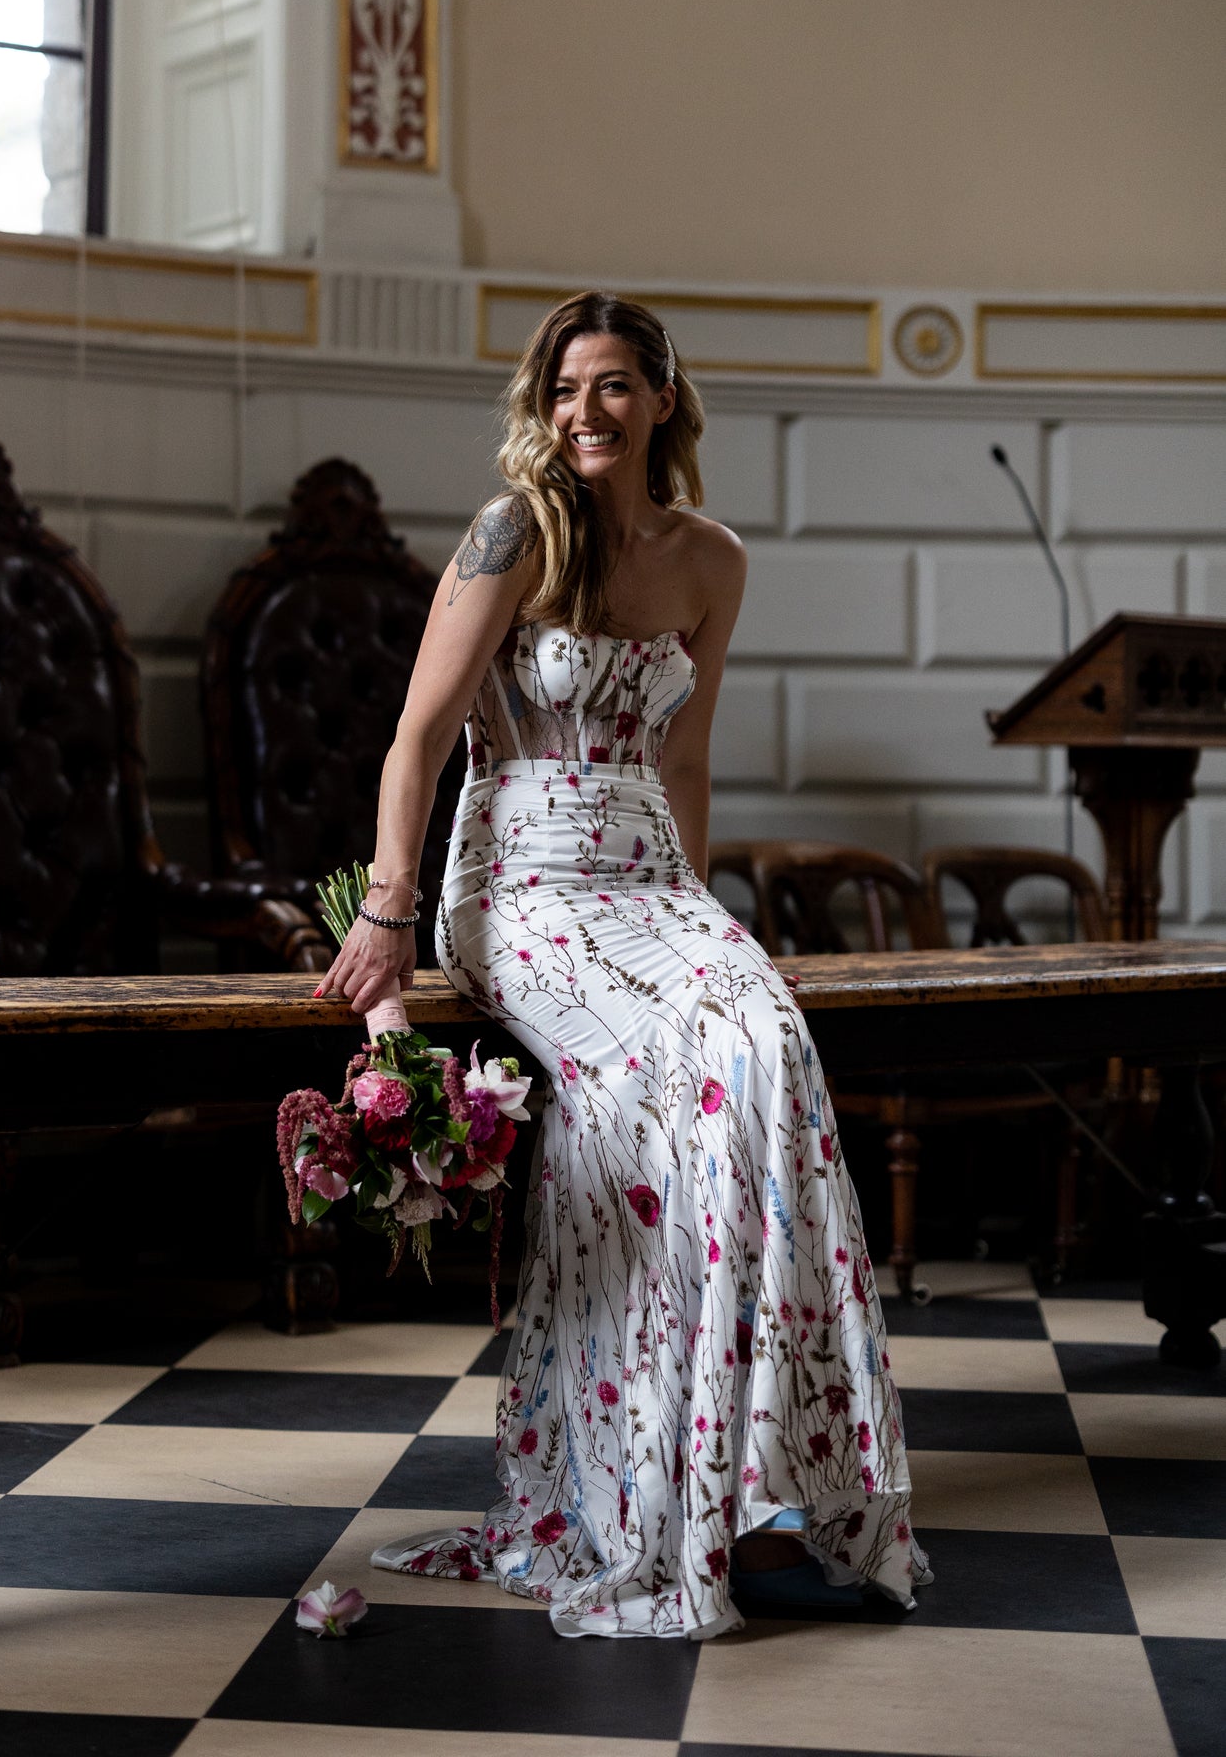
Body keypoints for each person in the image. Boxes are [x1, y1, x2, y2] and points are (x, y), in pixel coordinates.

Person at [315, 290, 929, 1639]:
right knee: (672, 1089)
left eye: (610, 387)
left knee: (763, 1048)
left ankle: (739, 1485)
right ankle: (623, 1482)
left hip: (648, 884)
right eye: (562, 390)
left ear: (661, 399)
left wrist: (700, 938)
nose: (583, 412)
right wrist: (385, 912)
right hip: (519, 885)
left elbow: (688, 762)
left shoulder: (711, 559)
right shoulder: (512, 532)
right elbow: (417, 741)